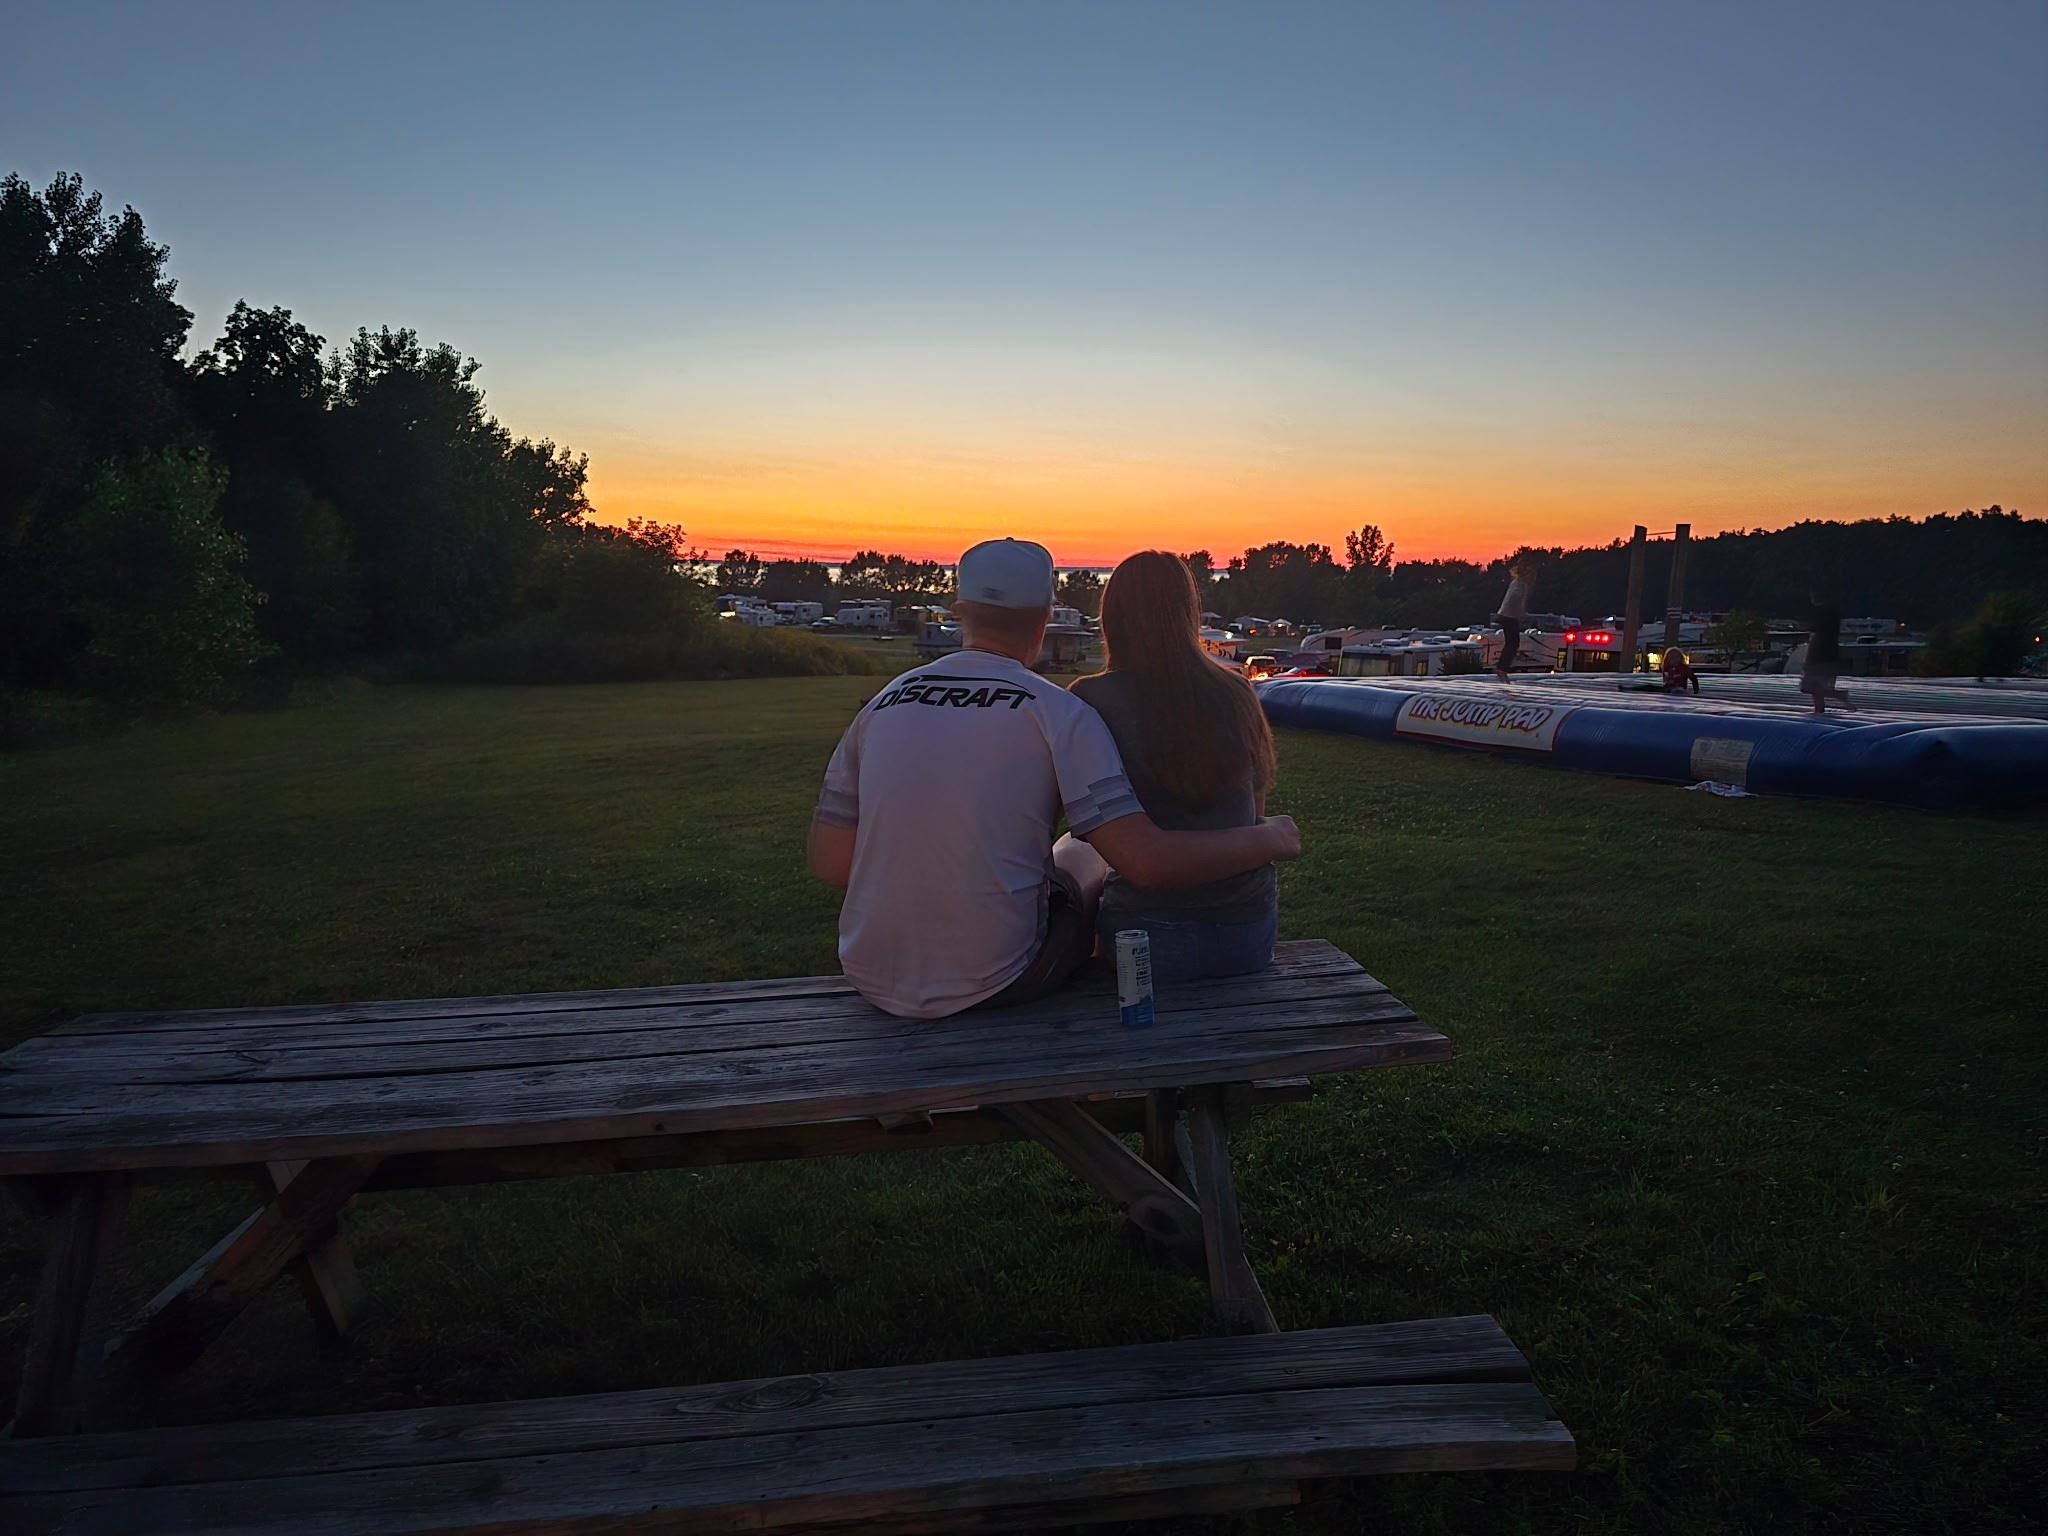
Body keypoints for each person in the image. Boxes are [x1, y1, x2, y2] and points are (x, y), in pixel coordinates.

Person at [807, 537, 1303, 1020]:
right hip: (1000, 977)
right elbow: (1145, 862)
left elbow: (831, 864)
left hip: (869, 972)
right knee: (1086, 850)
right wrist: (1273, 836)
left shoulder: (879, 705)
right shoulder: (1058, 711)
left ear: (960, 611)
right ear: (1045, 618)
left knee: (1079, 845)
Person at [1068, 552, 1283, 984]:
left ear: (1113, 617)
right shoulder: (1237, 692)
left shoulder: (1092, 698)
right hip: (1247, 934)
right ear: (1188, 612)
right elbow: (1253, 815)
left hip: (1146, 935)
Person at [1802, 590, 1847, 715]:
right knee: (1820, 684)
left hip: (1818, 653)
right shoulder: (1834, 613)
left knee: (1810, 685)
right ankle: (1820, 708)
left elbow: (1813, 627)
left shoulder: (1819, 612)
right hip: (1832, 653)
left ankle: (1837, 697)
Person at [1493, 559, 1534, 681]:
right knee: (1513, 643)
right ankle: (1502, 668)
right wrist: (1521, 613)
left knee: (1512, 642)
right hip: (1509, 616)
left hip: (1507, 615)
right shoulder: (1520, 584)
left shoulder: (1517, 582)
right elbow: (1516, 599)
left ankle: (1502, 667)